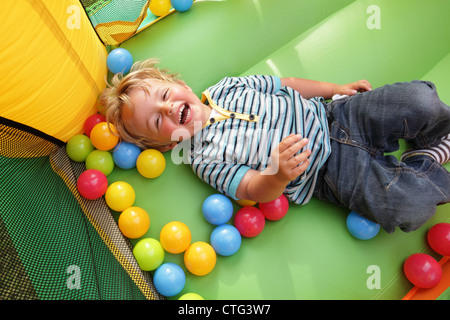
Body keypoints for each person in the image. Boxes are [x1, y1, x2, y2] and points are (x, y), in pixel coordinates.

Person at [101, 59, 450, 233]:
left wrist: (336, 89)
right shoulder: (203, 160)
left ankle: (434, 134)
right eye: (157, 121)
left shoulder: (227, 87)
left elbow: (288, 84)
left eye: (164, 95)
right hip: (330, 173)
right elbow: (253, 188)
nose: (168, 108)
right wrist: (278, 174)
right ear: (163, 145)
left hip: (339, 115)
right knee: (409, 209)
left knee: (420, 100)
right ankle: (426, 160)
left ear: (178, 84)